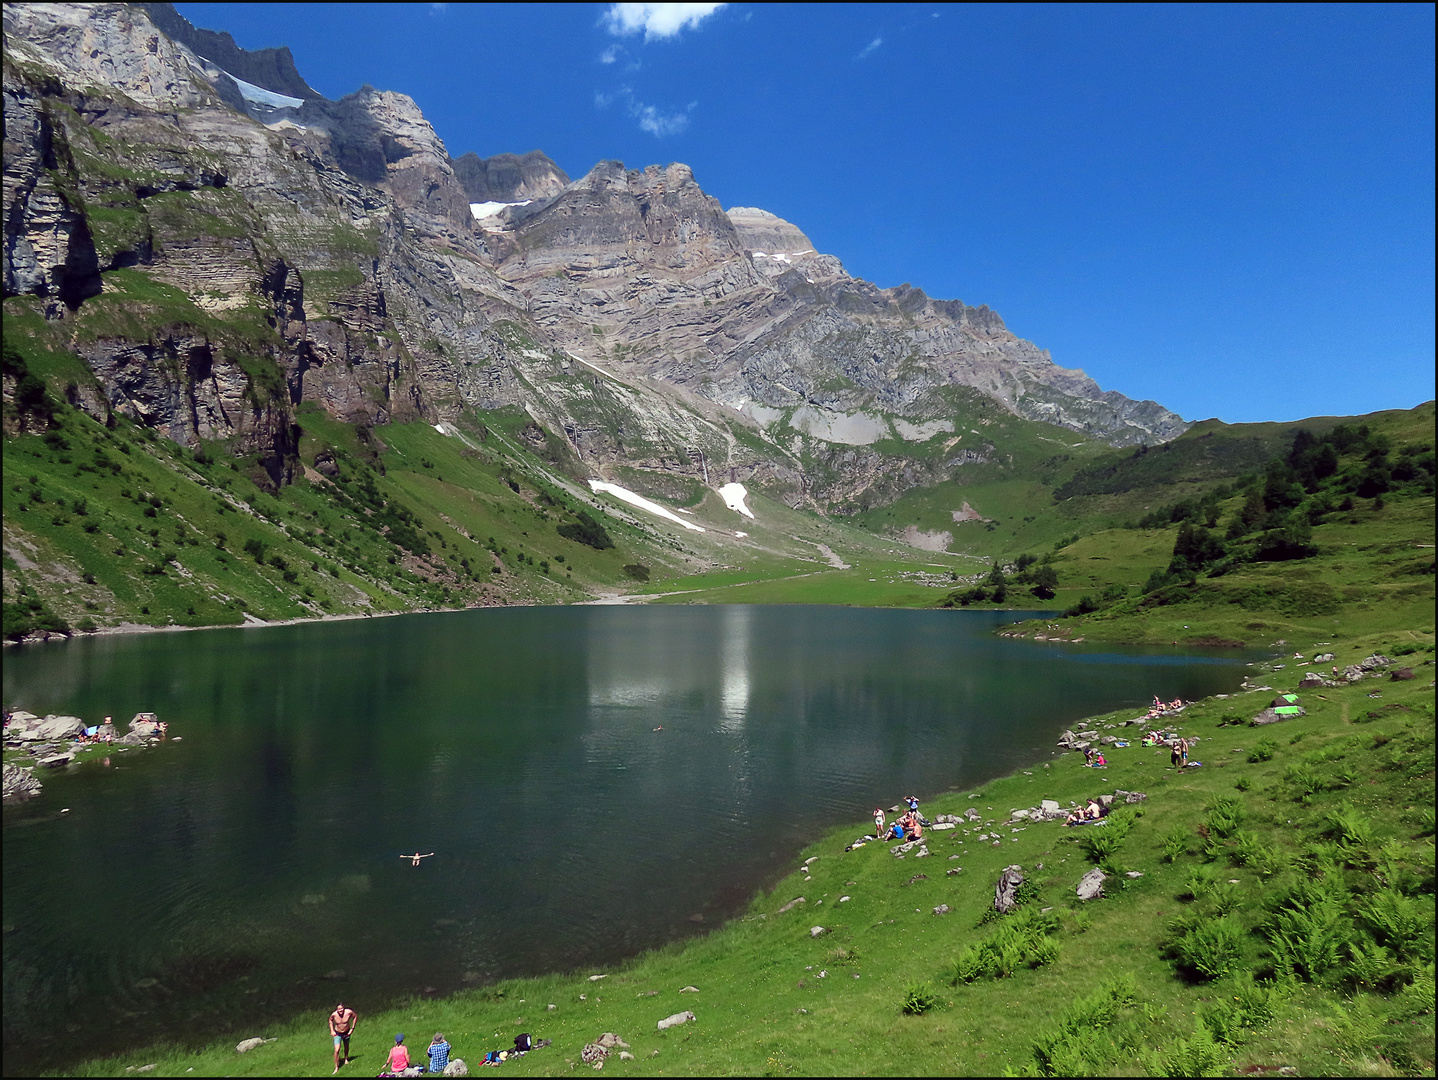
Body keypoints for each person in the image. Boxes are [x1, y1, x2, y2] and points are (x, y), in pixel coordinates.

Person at [329, 1001, 358, 1073]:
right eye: (339, 1009)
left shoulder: (348, 1012)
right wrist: (332, 1030)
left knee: (346, 1046)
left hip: (346, 1032)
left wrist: (352, 1028)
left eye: (341, 1009)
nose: (340, 1010)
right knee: (337, 1049)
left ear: (343, 1008)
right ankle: (336, 1067)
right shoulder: (334, 1015)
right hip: (337, 1033)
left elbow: (355, 1017)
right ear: (336, 1009)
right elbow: (330, 1020)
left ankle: (346, 1058)